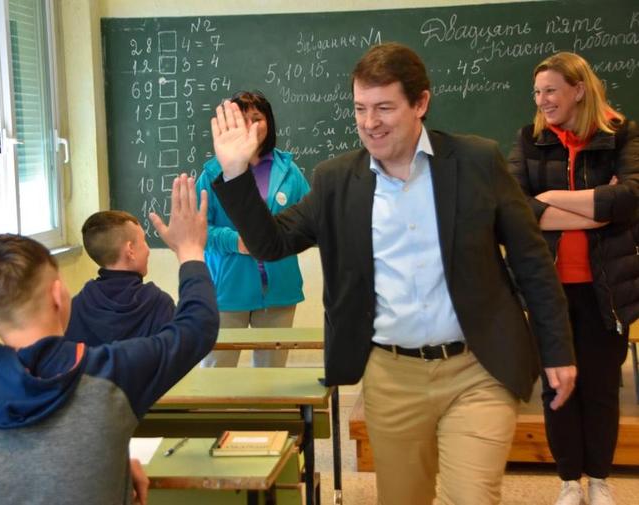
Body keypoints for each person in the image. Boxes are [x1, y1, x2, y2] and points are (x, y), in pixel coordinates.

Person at [210, 42, 577, 505]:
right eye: (360, 108)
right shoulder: (336, 180)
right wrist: (237, 172)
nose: (370, 122)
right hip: (391, 375)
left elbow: (531, 260)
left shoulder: (477, 161)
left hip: (477, 368)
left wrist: (557, 349)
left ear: (420, 103)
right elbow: (271, 243)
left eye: (384, 107)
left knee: (473, 497)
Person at [0, 174, 217, 505]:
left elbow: (34, 459)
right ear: (57, 296)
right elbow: (198, 326)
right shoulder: (109, 374)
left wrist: (113, 465)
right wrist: (191, 250)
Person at [508, 52, 639, 505]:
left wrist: (553, 199)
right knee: (557, 386)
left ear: (578, 89)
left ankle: (599, 480)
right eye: (538, 92)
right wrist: (594, 211)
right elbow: (513, 206)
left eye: (551, 91)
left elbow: (630, 198)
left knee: (602, 387)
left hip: (608, 289)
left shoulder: (622, 136)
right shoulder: (530, 140)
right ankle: (568, 482)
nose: (542, 100)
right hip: (548, 289)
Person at [198, 91, 310, 368]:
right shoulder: (212, 173)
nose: (249, 127)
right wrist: (235, 241)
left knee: (271, 374)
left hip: (279, 289)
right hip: (227, 288)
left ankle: (267, 415)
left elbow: (310, 219)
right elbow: (198, 231)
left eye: (256, 118)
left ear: (268, 123)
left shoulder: (289, 172)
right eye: (241, 120)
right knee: (216, 371)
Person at [65, 210, 175, 346]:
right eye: (144, 241)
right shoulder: (160, 305)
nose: (148, 250)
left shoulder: (73, 309)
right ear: (130, 250)